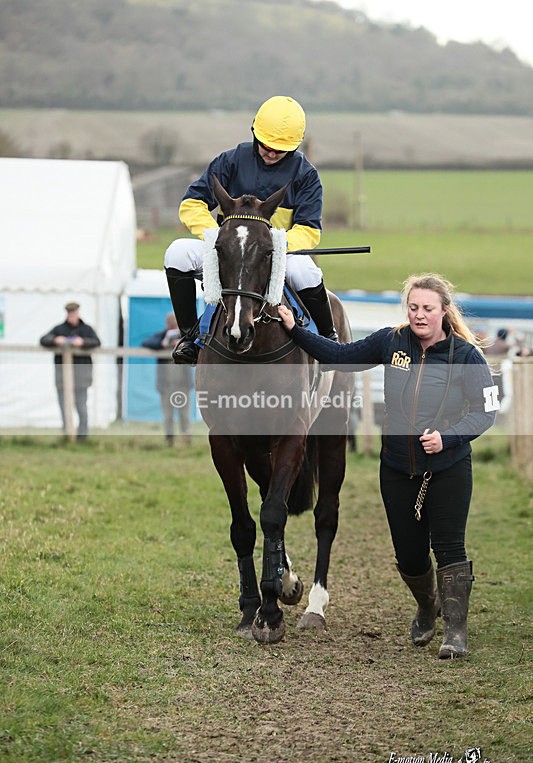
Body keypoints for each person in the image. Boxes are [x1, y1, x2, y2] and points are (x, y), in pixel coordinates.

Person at [278, 273, 498, 659]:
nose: (419, 315)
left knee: (449, 547)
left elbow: (487, 411)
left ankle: (456, 631)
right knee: (409, 555)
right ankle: (428, 606)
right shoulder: (391, 341)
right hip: (397, 468)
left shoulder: (466, 356)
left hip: (447, 468)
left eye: (427, 308)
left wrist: (449, 438)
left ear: (444, 311)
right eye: (413, 307)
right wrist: (296, 330)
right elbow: (338, 357)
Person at [164, 95, 337, 365]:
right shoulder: (230, 160)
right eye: (265, 145)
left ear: (293, 147)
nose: (270, 153)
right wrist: (217, 236)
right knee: (177, 253)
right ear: (255, 133)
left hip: (275, 254)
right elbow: (191, 204)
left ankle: (329, 341)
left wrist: (275, 245)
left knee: (305, 271)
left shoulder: (306, 175)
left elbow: (309, 230)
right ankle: (189, 338)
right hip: (228, 251)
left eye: (279, 150)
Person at [39, 302, 101, 441]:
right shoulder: (59, 329)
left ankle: (82, 436)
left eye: (74, 313)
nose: (72, 316)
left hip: (81, 377)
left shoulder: (86, 329)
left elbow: (96, 342)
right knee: (64, 408)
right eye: (70, 313)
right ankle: (67, 435)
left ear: (78, 313)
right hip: (62, 378)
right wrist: (56, 340)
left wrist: (82, 342)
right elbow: (43, 339)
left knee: (81, 408)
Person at [142, 312, 193, 445]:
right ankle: (169, 440)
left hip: (182, 384)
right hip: (166, 385)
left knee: (184, 415)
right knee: (168, 416)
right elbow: (146, 342)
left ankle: (186, 439)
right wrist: (163, 343)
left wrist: (182, 345)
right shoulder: (162, 335)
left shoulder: (185, 337)